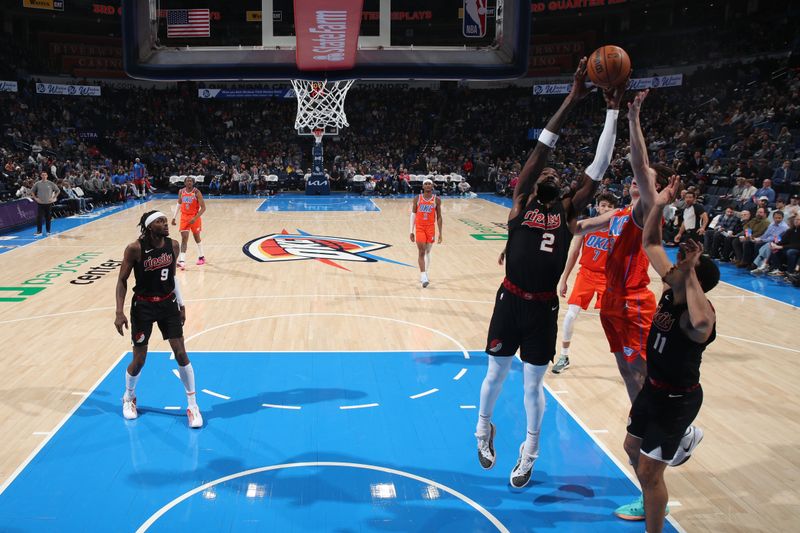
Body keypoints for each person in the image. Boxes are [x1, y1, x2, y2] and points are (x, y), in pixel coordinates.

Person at [475, 58, 626, 489]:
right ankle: (483, 431)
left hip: (542, 309)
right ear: (534, 179)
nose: (551, 171)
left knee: (531, 388)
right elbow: (542, 147)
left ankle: (530, 452)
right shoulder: (520, 203)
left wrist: (612, 112)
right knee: (493, 376)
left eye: (557, 173)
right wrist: (573, 98)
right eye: (546, 171)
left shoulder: (567, 209)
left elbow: (597, 167)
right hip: (510, 299)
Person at [616, 174, 719, 531]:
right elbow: (650, 242)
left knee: (649, 472)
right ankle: (656, 485)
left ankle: (653, 522)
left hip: (678, 399)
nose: (669, 268)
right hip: (655, 389)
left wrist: (689, 271)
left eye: (679, 266)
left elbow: (704, 324)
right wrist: (659, 205)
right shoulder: (672, 287)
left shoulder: (697, 313)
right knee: (631, 448)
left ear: (692, 278)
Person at [114, 210, 203, 428]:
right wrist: (119, 311)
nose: (165, 224)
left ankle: (192, 405)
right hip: (143, 305)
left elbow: (172, 277)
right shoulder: (135, 248)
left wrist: (181, 304)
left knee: (181, 352)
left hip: (167, 303)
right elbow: (122, 280)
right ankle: (128, 397)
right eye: (160, 221)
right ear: (149, 226)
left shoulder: (172, 245)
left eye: (165, 220)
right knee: (140, 359)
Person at [552, 192, 619, 373]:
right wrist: (564, 279)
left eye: (609, 207)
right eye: (603, 205)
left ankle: (628, 362)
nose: (605, 209)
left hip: (608, 278)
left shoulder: (618, 230)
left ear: (614, 211)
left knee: (615, 321)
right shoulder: (587, 225)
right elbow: (573, 253)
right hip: (586, 274)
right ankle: (564, 356)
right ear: (597, 206)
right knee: (571, 314)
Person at [410, 179, 443, 288]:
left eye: (429, 184)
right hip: (419, 227)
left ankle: (425, 272)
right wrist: (411, 231)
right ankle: (423, 275)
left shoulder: (436, 200)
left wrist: (440, 233)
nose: (428, 185)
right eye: (426, 184)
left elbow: (439, 217)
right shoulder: (417, 198)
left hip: (430, 228)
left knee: (428, 252)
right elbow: (413, 215)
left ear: (432, 186)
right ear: (423, 186)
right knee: (421, 252)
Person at [171, 176, 207, 268]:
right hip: (184, 217)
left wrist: (195, 218)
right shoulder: (181, 192)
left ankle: (202, 257)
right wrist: (174, 217)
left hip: (195, 217)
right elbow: (179, 204)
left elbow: (203, 208)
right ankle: (182, 261)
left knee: (196, 237)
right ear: (185, 183)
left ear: (193, 183)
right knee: (184, 238)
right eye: (188, 181)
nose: (189, 182)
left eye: (191, 181)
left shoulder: (197, 192)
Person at [31, 170, 60, 237]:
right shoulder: (37, 183)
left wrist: (53, 198)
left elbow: (58, 190)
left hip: (48, 203)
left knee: (48, 218)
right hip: (40, 203)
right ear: (41, 176)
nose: (44, 176)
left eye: (45, 175)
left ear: (47, 176)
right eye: (42, 175)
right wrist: (35, 198)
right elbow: (32, 191)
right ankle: (39, 231)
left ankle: (48, 231)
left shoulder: (50, 183)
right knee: (39, 218)